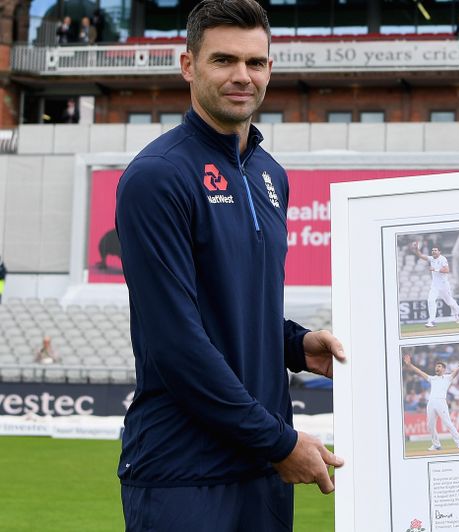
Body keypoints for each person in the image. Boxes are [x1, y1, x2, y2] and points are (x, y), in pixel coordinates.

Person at [114, 1, 346, 529]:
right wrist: (281, 441)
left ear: (270, 69)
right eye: (223, 60)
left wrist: (296, 345)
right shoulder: (157, 176)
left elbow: (237, 305)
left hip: (261, 473)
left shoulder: (271, 175)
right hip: (185, 473)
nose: (243, 76)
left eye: (256, 62)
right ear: (188, 65)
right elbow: (177, 343)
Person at [403, 352, 459, 451]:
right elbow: (419, 372)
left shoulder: (448, 378)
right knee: (430, 425)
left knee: (448, 423)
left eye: (439, 366)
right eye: (436, 366)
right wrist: (410, 365)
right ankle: (436, 445)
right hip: (431, 402)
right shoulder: (432, 378)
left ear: (444, 369)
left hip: (441, 402)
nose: (437, 368)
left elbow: (458, 370)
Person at [411, 241, 459, 328]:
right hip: (435, 285)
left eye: (435, 250)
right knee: (430, 300)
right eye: (433, 250)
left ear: (439, 252)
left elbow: (447, 270)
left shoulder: (443, 259)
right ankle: (432, 321)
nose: (434, 251)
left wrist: (435, 269)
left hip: (443, 285)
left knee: (450, 302)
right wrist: (417, 249)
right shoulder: (431, 258)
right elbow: (420, 255)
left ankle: (458, 314)